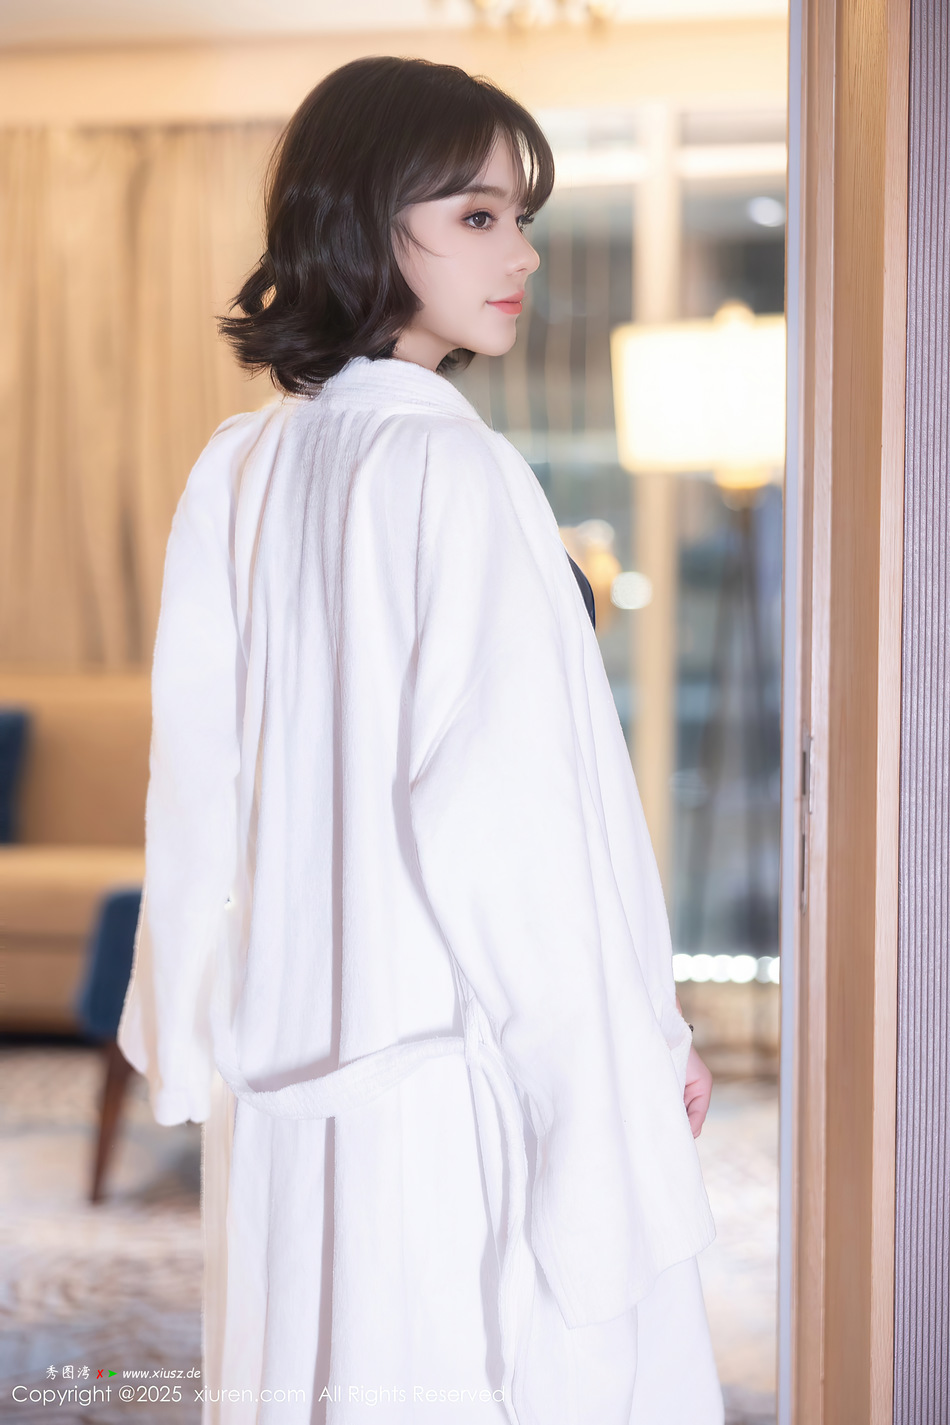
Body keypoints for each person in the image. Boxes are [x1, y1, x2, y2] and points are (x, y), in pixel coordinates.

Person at [117, 56, 723, 1425]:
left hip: (293, 1077)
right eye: (476, 216)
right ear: (363, 219)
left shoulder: (242, 464)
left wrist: (189, 1017)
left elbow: (194, 783)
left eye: (522, 218)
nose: (522, 254)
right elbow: (512, 820)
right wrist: (623, 1055)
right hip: (449, 1087)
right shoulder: (455, 467)